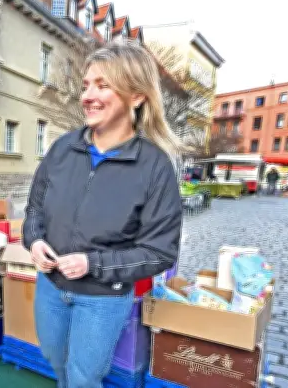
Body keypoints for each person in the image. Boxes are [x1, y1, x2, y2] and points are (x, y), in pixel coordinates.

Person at [23, 42, 182, 388]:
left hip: (102, 298)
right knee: (55, 360)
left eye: (102, 85)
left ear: (136, 96)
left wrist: (93, 263)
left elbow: (159, 252)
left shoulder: (154, 167)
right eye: (86, 85)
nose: (88, 96)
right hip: (51, 287)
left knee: (84, 378)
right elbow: (34, 208)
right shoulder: (63, 148)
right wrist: (34, 241)